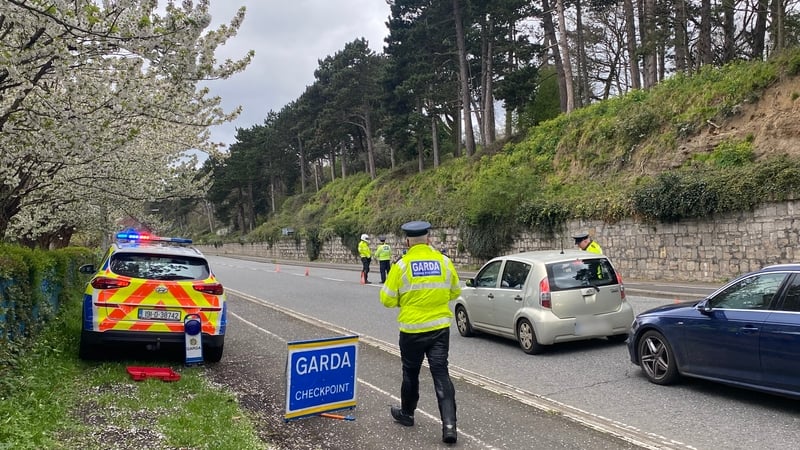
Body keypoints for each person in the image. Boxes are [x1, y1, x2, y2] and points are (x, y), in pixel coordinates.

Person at [379, 220, 461, 444]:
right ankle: (449, 426)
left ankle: (407, 415)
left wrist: (405, 300)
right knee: (441, 373)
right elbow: (455, 292)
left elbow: (386, 299)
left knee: (411, 373)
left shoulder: (402, 265)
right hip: (439, 329)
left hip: (412, 331)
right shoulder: (444, 262)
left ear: (407, 242)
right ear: (428, 239)